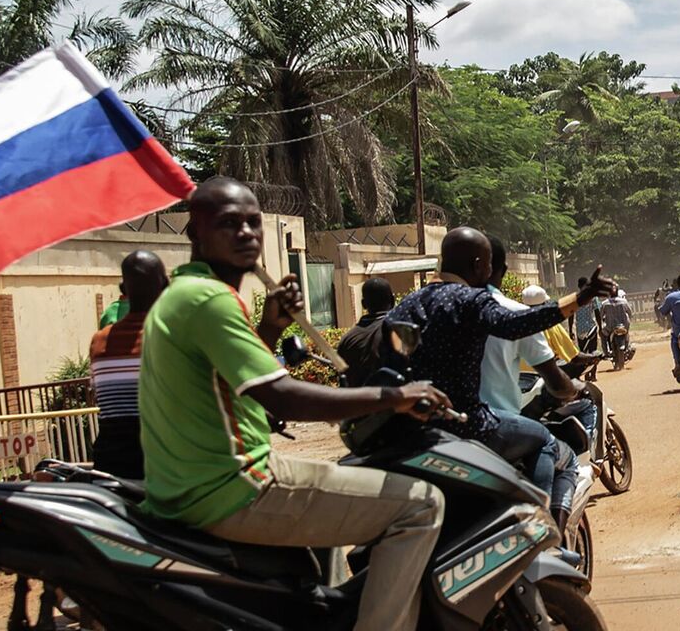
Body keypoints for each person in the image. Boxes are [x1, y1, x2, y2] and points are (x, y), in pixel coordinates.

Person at [138, 178, 452, 631]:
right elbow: (282, 395)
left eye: (252, 222)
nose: (246, 232)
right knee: (421, 505)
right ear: (196, 233)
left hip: (191, 486)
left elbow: (231, 382)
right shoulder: (210, 301)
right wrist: (395, 396)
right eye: (229, 223)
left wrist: (269, 326)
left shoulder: (186, 294)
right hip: (238, 484)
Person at [386, 227, 615, 529]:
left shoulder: (407, 305)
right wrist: (579, 299)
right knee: (546, 441)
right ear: (479, 263)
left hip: (416, 430)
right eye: (489, 264)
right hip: (472, 424)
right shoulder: (471, 300)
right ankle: (542, 532)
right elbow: (516, 323)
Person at [480, 237, 584, 527]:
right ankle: (548, 531)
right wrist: (569, 387)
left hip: (448, 426)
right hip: (498, 420)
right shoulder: (516, 314)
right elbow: (562, 363)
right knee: (554, 449)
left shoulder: (437, 310)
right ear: (499, 270)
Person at [87, 250, 168, 480]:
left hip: (109, 464)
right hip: (164, 466)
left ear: (124, 289)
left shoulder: (99, 341)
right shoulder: (173, 336)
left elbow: (98, 398)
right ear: (165, 285)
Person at [336, 276, 398, 387]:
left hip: (357, 402)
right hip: (392, 401)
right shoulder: (399, 331)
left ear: (363, 304)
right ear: (393, 300)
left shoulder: (347, 340)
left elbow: (343, 381)